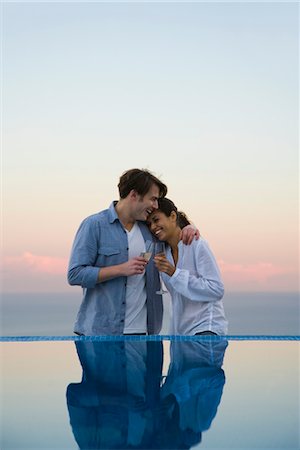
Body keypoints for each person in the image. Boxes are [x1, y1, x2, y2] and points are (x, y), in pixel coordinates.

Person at [68, 169, 198, 336]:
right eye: (153, 199)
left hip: (145, 335)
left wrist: (189, 228)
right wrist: (121, 269)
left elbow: (172, 228)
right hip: (100, 334)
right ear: (134, 195)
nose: (156, 206)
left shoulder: (150, 229)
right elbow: (75, 274)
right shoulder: (94, 225)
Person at [148, 197, 228, 335]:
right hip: (180, 333)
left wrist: (174, 273)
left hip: (205, 330)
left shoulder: (197, 244)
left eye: (156, 220)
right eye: (149, 224)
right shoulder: (162, 252)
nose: (153, 227)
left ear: (173, 216)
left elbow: (216, 289)